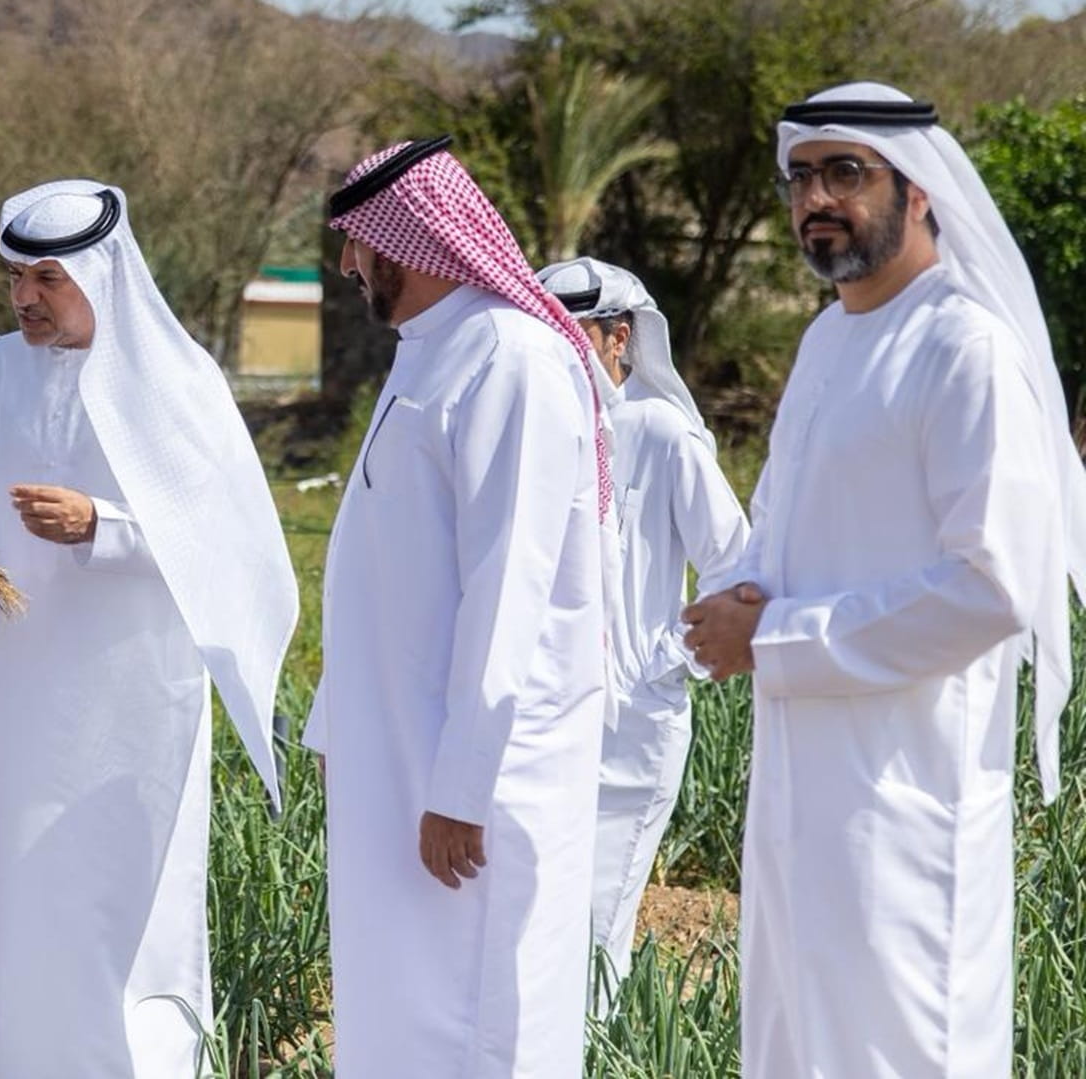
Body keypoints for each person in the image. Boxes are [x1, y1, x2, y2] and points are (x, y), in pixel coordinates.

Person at [682, 82, 1086, 1077]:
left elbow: (993, 587)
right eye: (803, 176)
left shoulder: (965, 347)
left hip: (909, 796)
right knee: (798, 1044)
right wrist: (733, 594)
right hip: (799, 790)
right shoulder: (827, 340)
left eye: (846, 173)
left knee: (901, 1052)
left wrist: (771, 638)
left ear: (920, 194)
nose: (818, 197)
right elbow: (780, 528)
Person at [0, 180, 298, 1077]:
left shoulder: (173, 380)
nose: (22, 298)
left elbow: (228, 538)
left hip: (137, 706)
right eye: (15, 276)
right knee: (23, 906)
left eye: (47, 276)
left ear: (101, 272)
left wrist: (104, 526)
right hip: (19, 698)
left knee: (130, 915)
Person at [302, 136, 617, 1076]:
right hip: (397, 748)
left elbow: (510, 584)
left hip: (472, 771)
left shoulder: (509, 356)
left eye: (360, 243)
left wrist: (461, 786)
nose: (351, 265)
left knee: (480, 1007)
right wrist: (338, 726)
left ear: (410, 239)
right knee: (402, 998)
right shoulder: (428, 353)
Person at [536, 256, 750, 989]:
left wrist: (668, 661)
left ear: (619, 337)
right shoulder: (539, 434)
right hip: (548, 718)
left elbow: (736, 566)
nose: (561, 350)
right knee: (540, 921)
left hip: (634, 724)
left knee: (597, 926)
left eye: (576, 333)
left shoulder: (661, 432)